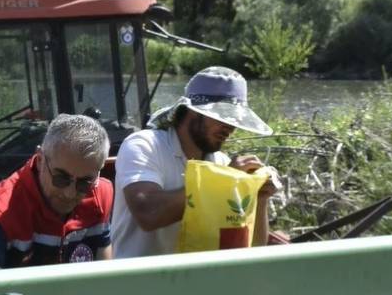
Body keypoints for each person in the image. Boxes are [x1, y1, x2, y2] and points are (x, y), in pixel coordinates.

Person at [110, 67, 277, 259]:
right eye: (221, 117)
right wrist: (223, 181)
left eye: (234, 120)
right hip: (138, 282)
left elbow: (253, 247)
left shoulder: (221, 163)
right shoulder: (145, 145)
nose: (230, 128)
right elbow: (148, 213)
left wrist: (261, 199)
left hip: (195, 282)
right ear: (191, 111)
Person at [0, 114, 114, 270]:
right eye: (61, 178)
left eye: (84, 183)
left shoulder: (101, 193)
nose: (70, 193)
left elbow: (105, 280)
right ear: (40, 160)